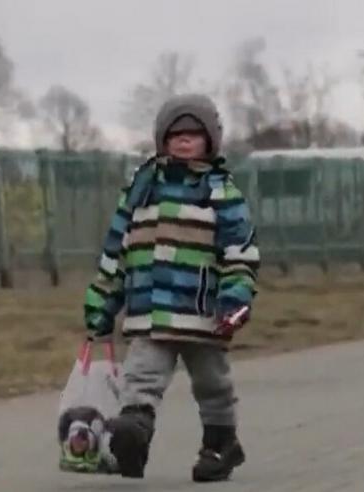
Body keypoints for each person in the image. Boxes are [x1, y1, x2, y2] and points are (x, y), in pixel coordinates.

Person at [83, 93, 260, 482]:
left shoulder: (220, 192)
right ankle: (134, 435)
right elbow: (117, 251)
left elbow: (240, 254)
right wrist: (102, 300)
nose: (183, 140)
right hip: (150, 310)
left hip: (204, 315)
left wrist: (235, 300)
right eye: (175, 134)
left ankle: (221, 443)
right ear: (161, 139)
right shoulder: (141, 188)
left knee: (213, 385)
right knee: (141, 375)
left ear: (210, 140)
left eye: (194, 134)